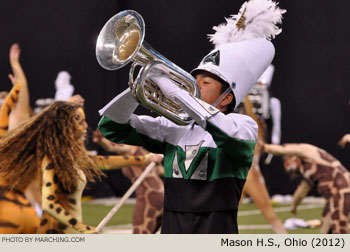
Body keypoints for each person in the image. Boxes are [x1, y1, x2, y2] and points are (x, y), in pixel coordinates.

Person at [98, 0, 285, 233]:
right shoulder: (174, 127)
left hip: (216, 229)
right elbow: (111, 126)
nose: (194, 87)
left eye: (206, 83)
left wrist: (175, 92)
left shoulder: (243, 126)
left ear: (226, 98)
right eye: (194, 80)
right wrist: (138, 89)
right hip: (172, 226)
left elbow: (222, 130)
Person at [0, 101, 161, 234]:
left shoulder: (69, 156)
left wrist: (144, 159)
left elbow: (102, 161)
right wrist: (81, 228)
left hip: (70, 233)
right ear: (65, 125)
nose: (85, 126)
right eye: (79, 121)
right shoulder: (53, 159)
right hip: (55, 234)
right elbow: (49, 204)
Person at [262, 142, 350, 234]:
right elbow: (303, 188)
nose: (289, 167)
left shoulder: (307, 151)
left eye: (288, 163)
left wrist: (264, 147)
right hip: (336, 198)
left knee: (339, 232)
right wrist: (294, 204)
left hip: (342, 194)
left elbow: (284, 150)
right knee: (326, 231)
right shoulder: (308, 169)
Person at [93, 130, 164, 234]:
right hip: (160, 192)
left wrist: (101, 140)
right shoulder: (146, 152)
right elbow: (161, 171)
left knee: (139, 231)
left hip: (147, 194)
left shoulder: (131, 148)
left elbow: (114, 147)